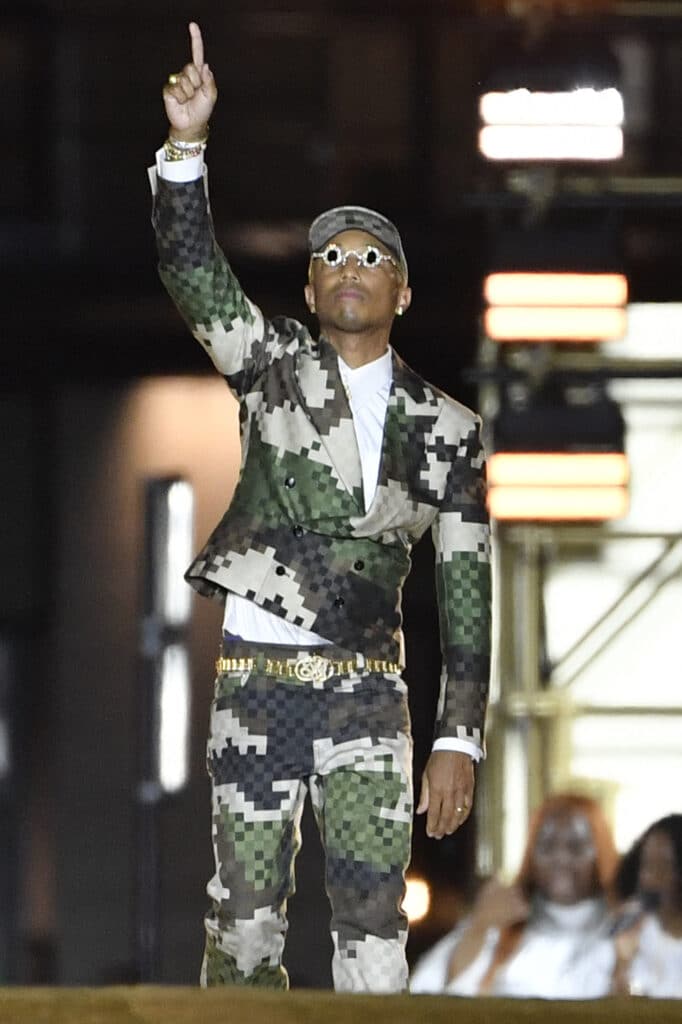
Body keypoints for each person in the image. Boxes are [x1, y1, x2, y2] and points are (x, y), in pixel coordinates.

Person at [149, 23, 491, 993]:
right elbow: (189, 271)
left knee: (374, 924)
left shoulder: (450, 427)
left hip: (367, 687)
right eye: (330, 255)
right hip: (257, 673)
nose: (348, 265)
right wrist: (186, 145)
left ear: (402, 289)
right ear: (307, 287)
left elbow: (466, 594)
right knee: (246, 919)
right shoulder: (270, 368)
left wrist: (457, 734)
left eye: (369, 255)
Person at [410, 793, 618, 997]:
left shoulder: (624, 931)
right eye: (548, 846)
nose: (560, 859)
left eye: (575, 847)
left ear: (601, 851)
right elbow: (426, 995)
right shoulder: (500, 926)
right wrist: (479, 928)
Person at [610, 813, 682, 997]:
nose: (651, 879)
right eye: (647, 866)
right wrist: (622, 964)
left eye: (665, 867)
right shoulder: (630, 925)